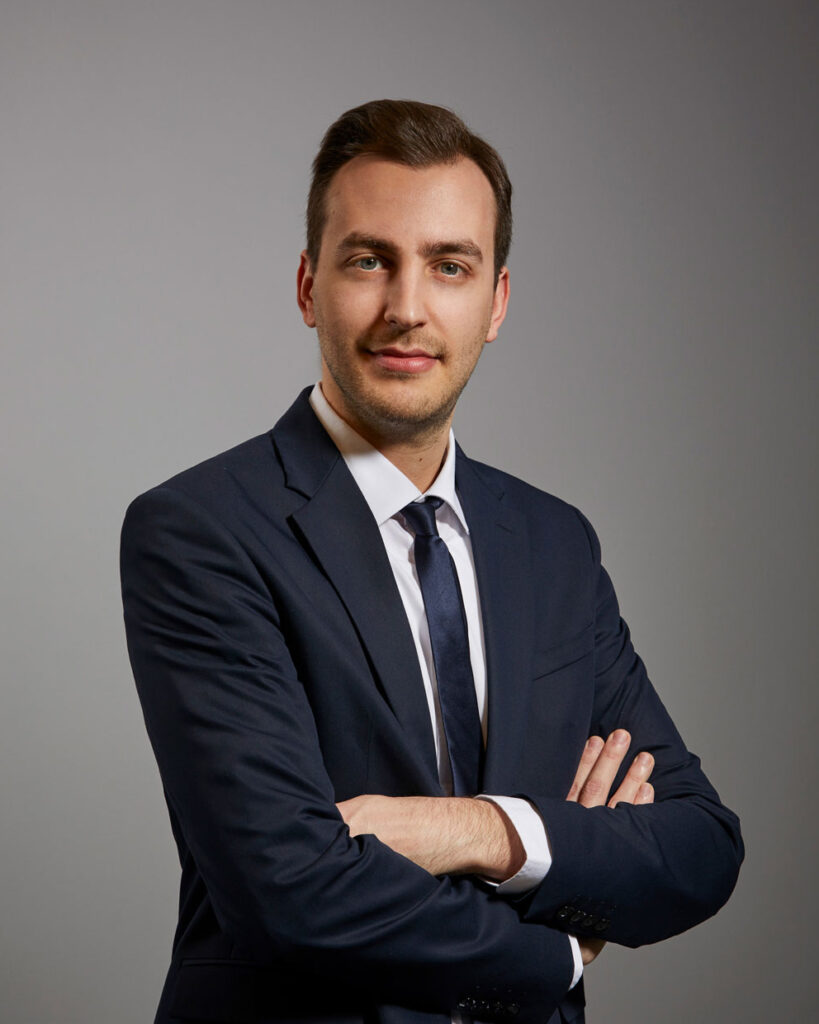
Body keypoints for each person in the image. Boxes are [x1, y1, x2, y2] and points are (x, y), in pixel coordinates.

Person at [121, 99, 743, 1024]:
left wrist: (481, 830)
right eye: (369, 261)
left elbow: (697, 846)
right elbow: (288, 889)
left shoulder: (553, 543)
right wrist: (556, 949)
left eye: (449, 266)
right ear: (308, 287)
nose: (406, 309)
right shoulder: (201, 531)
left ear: (495, 302)